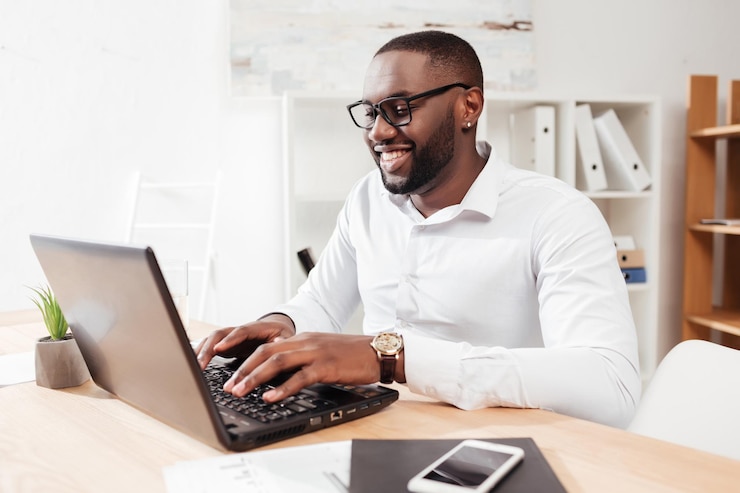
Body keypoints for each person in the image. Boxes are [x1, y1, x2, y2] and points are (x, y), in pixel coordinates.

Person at [196, 30, 641, 428]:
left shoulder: (557, 215)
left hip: (494, 445)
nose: (379, 132)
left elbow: (610, 388)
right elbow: (320, 302)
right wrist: (281, 325)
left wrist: (392, 358)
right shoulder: (368, 198)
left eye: (400, 108)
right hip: (373, 426)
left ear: (469, 106)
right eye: (370, 113)